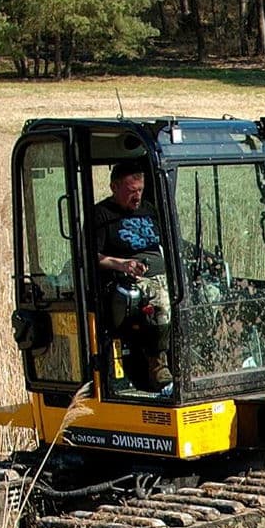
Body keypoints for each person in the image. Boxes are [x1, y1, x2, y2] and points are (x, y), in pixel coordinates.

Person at [93, 159, 173, 390]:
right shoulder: (101, 215)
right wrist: (122, 264)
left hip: (165, 273)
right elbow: (90, 257)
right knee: (163, 302)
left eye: (140, 190)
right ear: (114, 187)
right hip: (131, 280)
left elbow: (168, 242)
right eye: (131, 191)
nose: (137, 197)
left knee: (208, 291)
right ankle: (157, 365)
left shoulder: (148, 210)